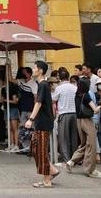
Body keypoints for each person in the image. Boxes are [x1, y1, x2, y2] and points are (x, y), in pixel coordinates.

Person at [24, 60, 59, 188]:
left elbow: (38, 103)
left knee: (41, 151)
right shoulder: (42, 85)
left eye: (35, 68)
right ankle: (52, 170)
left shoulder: (43, 85)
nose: (33, 70)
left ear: (41, 71)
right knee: (36, 150)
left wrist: (30, 119)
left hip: (43, 123)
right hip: (41, 123)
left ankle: (47, 180)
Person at [66, 78, 101, 178]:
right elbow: (95, 110)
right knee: (92, 145)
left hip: (79, 121)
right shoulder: (86, 95)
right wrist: (100, 106)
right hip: (87, 121)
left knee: (84, 144)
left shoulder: (76, 95)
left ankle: (72, 161)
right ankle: (90, 170)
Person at [52, 69, 78, 164]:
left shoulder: (59, 88)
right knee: (74, 137)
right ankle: (75, 158)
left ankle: (66, 159)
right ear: (68, 77)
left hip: (64, 114)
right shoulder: (74, 87)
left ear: (60, 78)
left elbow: (53, 100)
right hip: (74, 114)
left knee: (63, 138)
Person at [18, 67, 37, 153]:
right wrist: (9, 66)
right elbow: (10, 79)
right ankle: (26, 148)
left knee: (31, 130)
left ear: (29, 74)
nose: (23, 74)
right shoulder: (22, 82)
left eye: (24, 72)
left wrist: (34, 111)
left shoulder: (34, 84)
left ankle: (32, 148)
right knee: (23, 129)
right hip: (23, 109)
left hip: (30, 110)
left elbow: (35, 98)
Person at [2, 77, 20, 151]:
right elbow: (2, 99)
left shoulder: (13, 89)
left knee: (14, 127)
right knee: (9, 128)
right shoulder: (3, 89)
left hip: (13, 109)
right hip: (6, 109)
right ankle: (11, 144)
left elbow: (15, 101)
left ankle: (16, 145)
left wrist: (6, 100)